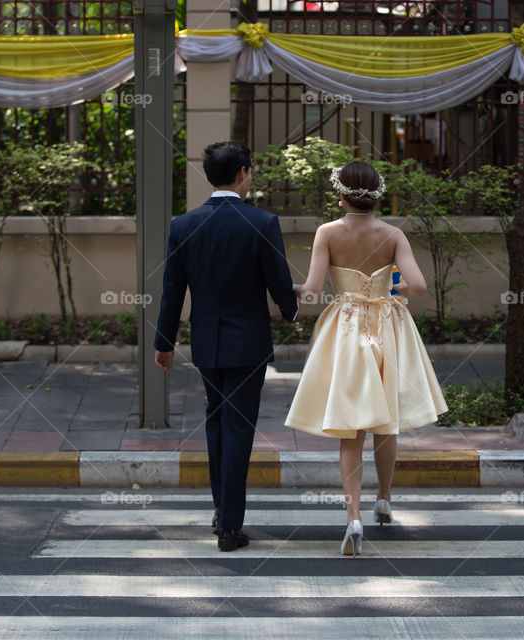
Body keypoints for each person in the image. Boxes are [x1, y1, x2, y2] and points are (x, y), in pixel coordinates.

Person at [285, 161, 448, 556]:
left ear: (340, 194)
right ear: (377, 193)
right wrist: (392, 288)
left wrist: (284, 287)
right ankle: (385, 499)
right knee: (385, 420)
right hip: (388, 326)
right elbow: (419, 287)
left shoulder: (327, 232)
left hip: (345, 328)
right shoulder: (392, 234)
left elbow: (310, 290)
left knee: (351, 426)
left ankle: (352, 517)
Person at [154, 141, 299, 552]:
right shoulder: (262, 222)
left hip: (206, 344)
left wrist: (164, 343)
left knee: (216, 425)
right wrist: (292, 309)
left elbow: (172, 292)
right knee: (237, 429)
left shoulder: (183, 225)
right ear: (242, 175)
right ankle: (230, 527)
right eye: (249, 172)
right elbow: (277, 282)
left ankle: (221, 509)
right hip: (248, 344)